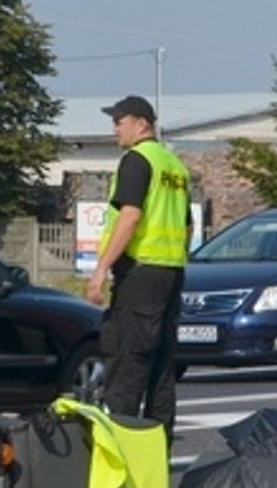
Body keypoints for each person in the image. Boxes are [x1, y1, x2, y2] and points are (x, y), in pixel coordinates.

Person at [87, 95, 192, 442]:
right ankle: (157, 453)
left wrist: (101, 269)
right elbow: (188, 226)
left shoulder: (136, 160)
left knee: (128, 360)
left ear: (141, 123)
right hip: (171, 273)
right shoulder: (174, 166)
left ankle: (121, 448)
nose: (114, 128)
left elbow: (130, 217)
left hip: (141, 273)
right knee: (161, 366)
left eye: (119, 121)